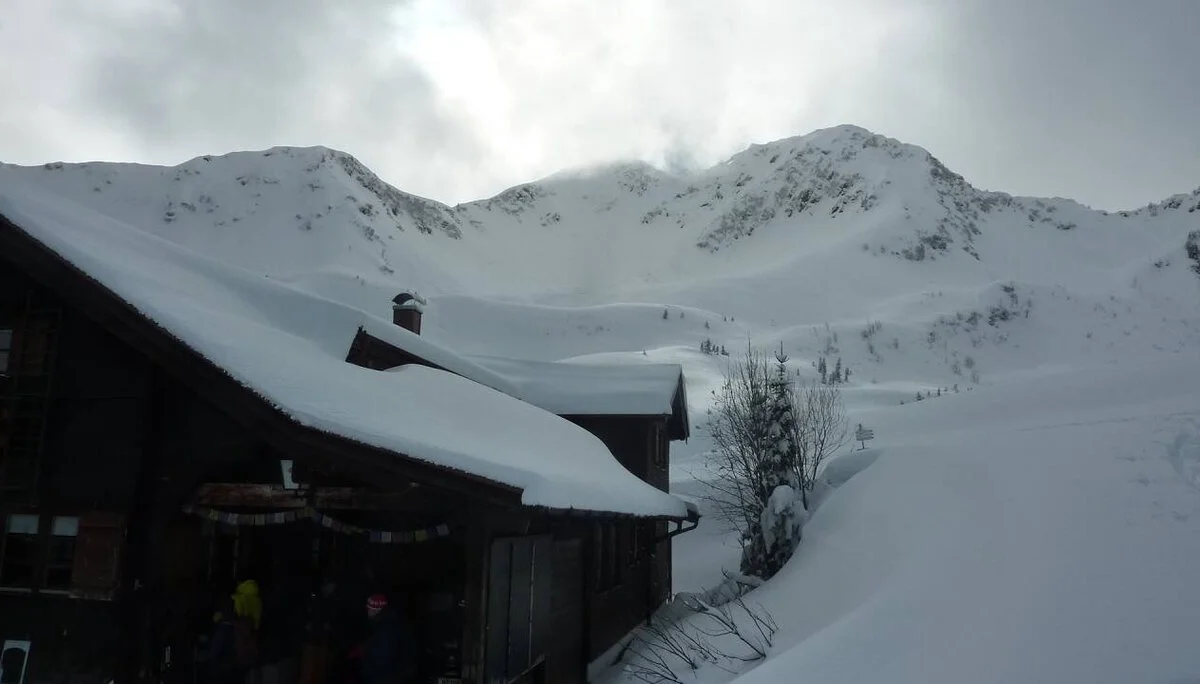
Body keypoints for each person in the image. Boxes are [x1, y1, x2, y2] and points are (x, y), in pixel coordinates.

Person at [356, 594, 414, 684]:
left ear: (376, 609)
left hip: (383, 678)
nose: (367, 610)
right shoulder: (385, 624)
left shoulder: (386, 629)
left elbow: (382, 660)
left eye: (369, 608)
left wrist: (365, 659)